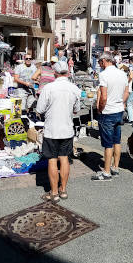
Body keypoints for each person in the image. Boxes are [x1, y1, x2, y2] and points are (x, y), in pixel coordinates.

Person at [36, 61, 80, 202]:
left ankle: (54, 192)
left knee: (52, 160)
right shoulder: (74, 88)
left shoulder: (49, 88)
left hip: (52, 129)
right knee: (64, 158)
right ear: (67, 72)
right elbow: (76, 109)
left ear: (54, 73)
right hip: (67, 128)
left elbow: (40, 109)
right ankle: (63, 190)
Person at [91, 53, 129, 181]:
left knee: (108, 144)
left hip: (108, 111)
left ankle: (106, 172)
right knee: (116, 141)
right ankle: (115, 167)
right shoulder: (122, 73)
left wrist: (101, 109)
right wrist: (121, 103)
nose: (99, 64)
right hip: (118, 110)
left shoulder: (104, 74)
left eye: (99, 62)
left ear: (104, 61)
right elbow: (126, 92)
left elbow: (104, 96)